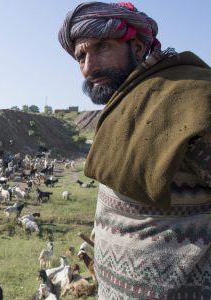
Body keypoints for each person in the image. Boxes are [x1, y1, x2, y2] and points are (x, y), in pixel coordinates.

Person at [58, 2, 211, 299]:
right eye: (81, 56)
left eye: (102, 47)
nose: (88, 67)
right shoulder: (126, 103)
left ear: (138, 47)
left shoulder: (191, 99)